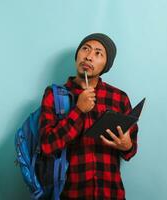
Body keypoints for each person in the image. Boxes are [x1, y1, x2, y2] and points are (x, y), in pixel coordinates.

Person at [38, 33, 139, 199]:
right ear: (78, 55)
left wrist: (126, 145)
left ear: (106, 65)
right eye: (85, 49)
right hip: (70, 193)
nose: (89, 57)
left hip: (111, 193)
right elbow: (47, 146)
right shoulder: (54, 95)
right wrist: (78, 110)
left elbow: (131, 151)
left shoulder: (119, 98)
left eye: (98, 53)